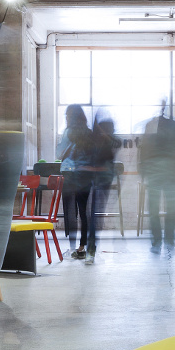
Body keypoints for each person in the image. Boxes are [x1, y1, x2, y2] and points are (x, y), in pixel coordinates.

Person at [139, 100, 175, 259]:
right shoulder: (173, 125)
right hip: (169, 170)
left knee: (154, 209)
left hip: (155, 171)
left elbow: (144, 149)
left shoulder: (150, 125)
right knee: (170, 209)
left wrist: (143, 170)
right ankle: (168, 241)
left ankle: (157, 242)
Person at [57, 104, 94, 260]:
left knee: (70, 212)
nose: (66, 118)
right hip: (85, 175)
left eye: (67, 115)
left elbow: (59, 153)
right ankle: (82, 247)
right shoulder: (89, 133)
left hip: (70, 175)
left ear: (71, 116)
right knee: (84, 212)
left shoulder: (68, 132)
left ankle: (72, 246)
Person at [85, 110, 120, 264]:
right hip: (91, 180)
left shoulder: (111, 141)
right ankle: (89, 248)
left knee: (94, 214)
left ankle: (90, 249)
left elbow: (116, 144)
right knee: (91, 215)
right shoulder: (94, 142)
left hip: (102, 181)